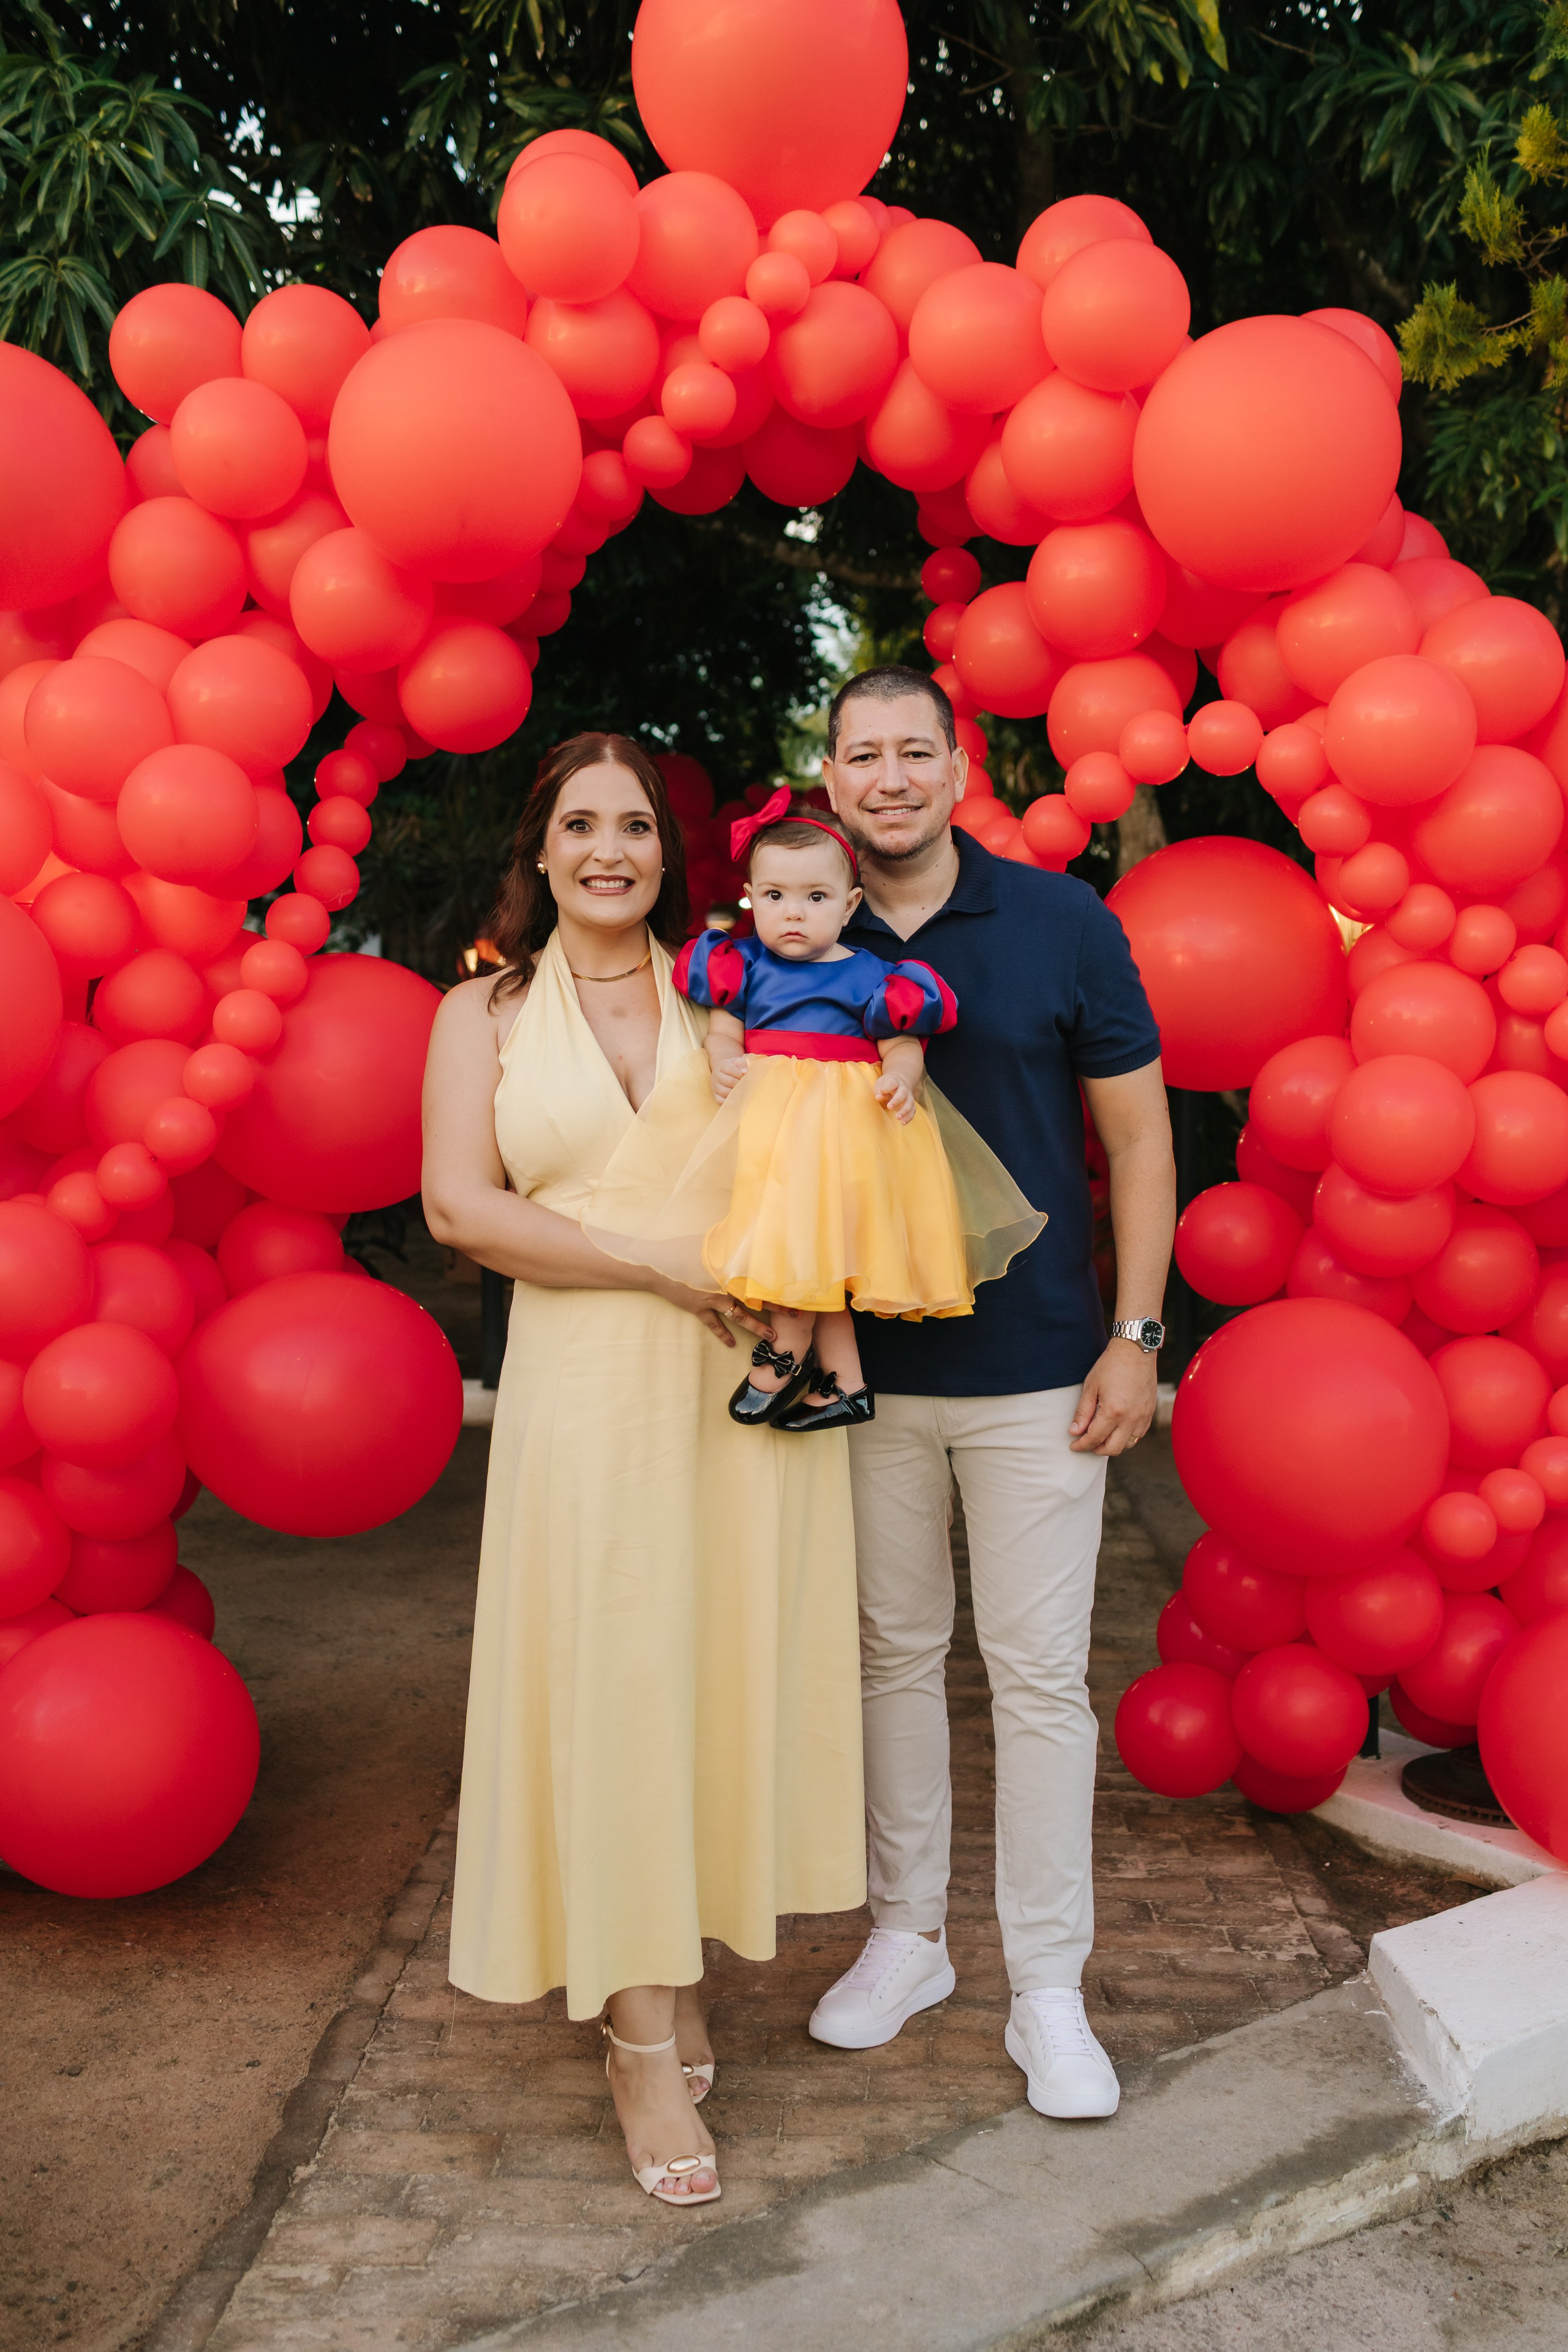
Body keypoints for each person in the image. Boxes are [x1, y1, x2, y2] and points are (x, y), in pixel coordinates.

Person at [421, 733, 865, 2210]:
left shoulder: (730, 988)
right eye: (581, 823)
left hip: (726, 1385)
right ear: (540, 847)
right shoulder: (475, 1010)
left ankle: (670, 1963)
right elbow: (457, 1206)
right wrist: (657, 1264)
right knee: (607, 1675)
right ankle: (633, 2030)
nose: (610, 848)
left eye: (636, 826)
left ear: (669, 857)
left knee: (703, 1671)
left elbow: (813, 1152)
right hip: (583, 1390)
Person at [804, 666, 1175, 2124]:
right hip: (861, 1377)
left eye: (913, 751)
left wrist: (1136, 1331)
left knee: (1034, 1681)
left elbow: (1137, 1142)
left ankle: (1046, 1987)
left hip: (1040, 1374)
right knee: (891, 1659)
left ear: (957, 769)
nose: (886, 776)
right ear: (828, 780)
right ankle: (907, 1940)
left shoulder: (1061, 924)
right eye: (860, 755)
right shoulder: (792, 929)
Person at [584, 786, 1043, 1433]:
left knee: (802, 1250)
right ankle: (849, 1385)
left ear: (850, 903)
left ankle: (785, 1354)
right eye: (774, 897)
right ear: (751, 897)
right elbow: (723, 1033)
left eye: (815, 898)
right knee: (806, 1257)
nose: (792, 914)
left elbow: (902, 1046)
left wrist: (902, 1082)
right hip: (771, 1130)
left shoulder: (873, 976)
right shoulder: (740, 966)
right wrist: (720, 1060)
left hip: (841, 1136)